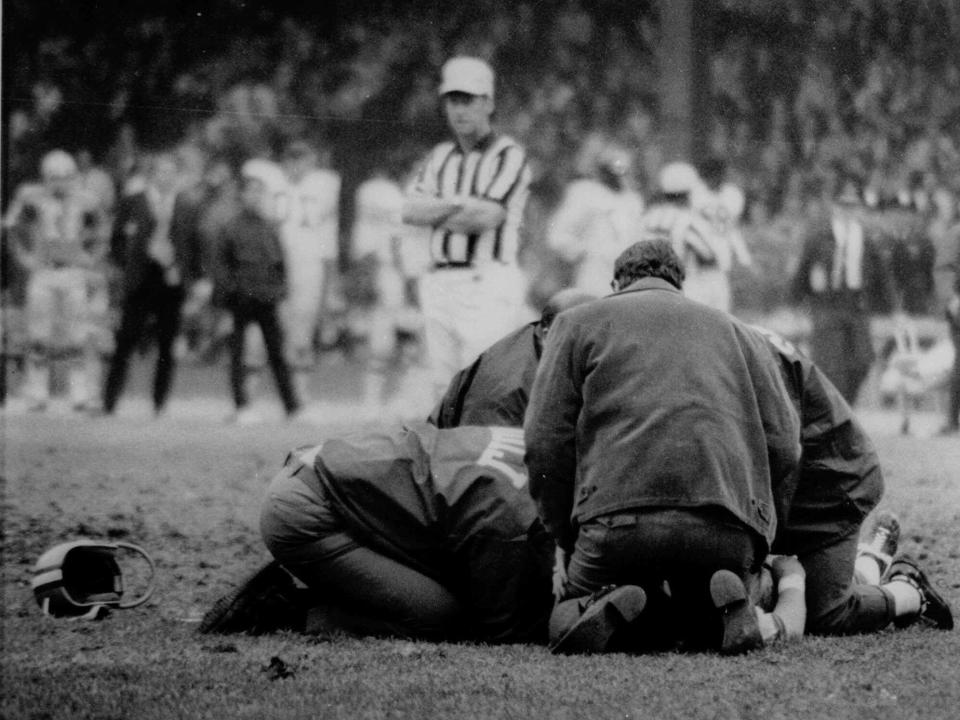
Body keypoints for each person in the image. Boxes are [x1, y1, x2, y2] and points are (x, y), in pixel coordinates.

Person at [524, 239, 803, 654]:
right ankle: (726, 611)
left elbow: (544, 441)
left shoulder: (577, 323)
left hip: (617, 526)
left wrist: (566, 537)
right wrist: (760, 533)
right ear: (679, 283)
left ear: (617, 283)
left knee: (563, 615)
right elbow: (785, 444)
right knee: (712, 600)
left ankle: (609, 609)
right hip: (722, 522)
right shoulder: (740, 332)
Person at [201, 423, 553, 644]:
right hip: (309, 509)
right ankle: (282, 609)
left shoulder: (534, 442)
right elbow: (504, 628)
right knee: (441, 617)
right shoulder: (512, 510)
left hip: (330, 470)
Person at [753, 325, 953, 634]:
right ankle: (869, 561)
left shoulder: (726, 345)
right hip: (798, 472)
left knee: (826, 612)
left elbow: (782, 447)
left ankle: (910, 590)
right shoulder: (717, 334)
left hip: (829, 478)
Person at [402, 56, 533, 400]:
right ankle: (450, 455)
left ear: (488, 102)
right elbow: (410, 210)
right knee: (441, 388)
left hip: (486, 278)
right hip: (440, 278)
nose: (459, 110)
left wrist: (437, 209)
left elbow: (486, 218)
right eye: (452, 101)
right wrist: (460, 205)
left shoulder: (508, 154)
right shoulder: (440, 156)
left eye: (468, 101)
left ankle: (483, 454)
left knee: (481, 382)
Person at [3, 149, 109, 410]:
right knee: (39, 333)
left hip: (73, 271)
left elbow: (104, 230)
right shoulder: (31, 197)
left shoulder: (86, 199)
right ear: (45, 177)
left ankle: (79, 392)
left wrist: (92, 257)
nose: (59, 182)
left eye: (64, 177)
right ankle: (37, 392)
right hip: (43, 271)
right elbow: (11, 227)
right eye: (53, 177)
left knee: (77, 334)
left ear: (72, 177)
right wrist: (24, 258)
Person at [101, 152, 204, 416]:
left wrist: (190, 276)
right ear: (152, 175)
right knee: (126, 340)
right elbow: (116, 243)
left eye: (171, 172)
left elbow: (194, 247)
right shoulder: (133, 203)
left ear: (177, 177)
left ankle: (159, 403)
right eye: (160, 171)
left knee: (167, 344)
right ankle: (110, 401)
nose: (165, 177)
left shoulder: (186, 207)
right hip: (140, 281)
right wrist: (133, 260)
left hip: (171, 282)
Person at [211, 161, 301, 424]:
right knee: (238, 354)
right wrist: (230, 292)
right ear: (242, 195)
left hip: (266, 298)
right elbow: (221, 264)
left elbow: (279, 263)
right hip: (240, 299)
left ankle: (292, 407)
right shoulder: (231, 227)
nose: (254, 197)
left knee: (277, 354)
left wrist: (279, 291)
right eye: (250, 191)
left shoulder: (268, 227)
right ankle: (242, 406)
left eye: (259, 192)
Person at [428, 288, 597, 429]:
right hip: (468, 453)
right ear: (548, 334)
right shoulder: (506, 386)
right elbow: (483, 457)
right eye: (579, 340)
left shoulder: (552, 350)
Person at [790, 176, 893, 405]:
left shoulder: (867, 239)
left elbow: (882, 276)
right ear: (835, 207)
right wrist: (795, 303)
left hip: (856, 304)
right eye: (843, 205)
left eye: (852, 206)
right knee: (831, 364)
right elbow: (803, 272)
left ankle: (845, 405)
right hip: (827, 304)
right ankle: (833, 412)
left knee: (862, 360)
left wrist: (893, 307)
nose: (848, 211)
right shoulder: (819, 238)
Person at [275, 140, 341, 402]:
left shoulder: (322, 187)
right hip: (276, 267)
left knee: (303, 330)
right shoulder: (275, 186)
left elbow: (328, 237)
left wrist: (331, 278)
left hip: (308, 265)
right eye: (292, 158)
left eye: (302, 158)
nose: (296, 165)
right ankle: (258, 395)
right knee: (275, 329)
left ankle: (299, 394)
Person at [547, 138, 644, 296]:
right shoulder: (585, 193)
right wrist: (584, 251)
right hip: (593, 274)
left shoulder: (632, 200)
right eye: (612, 171)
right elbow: (557, 236)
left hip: (627, 277)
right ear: (603, 170)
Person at [636, 162, 723, 309]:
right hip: (680, 293)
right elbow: (709, 256)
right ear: (689, 192)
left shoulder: (646, 218)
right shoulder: (689, 221)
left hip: (645, 292)